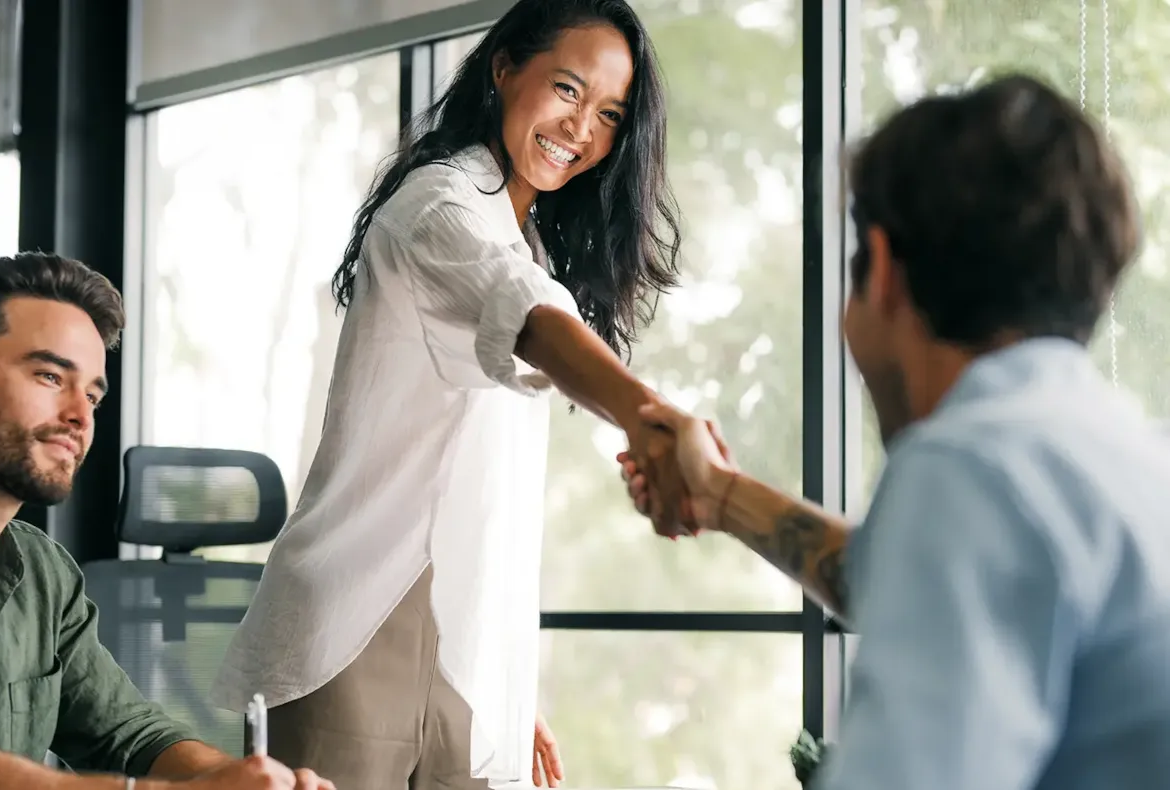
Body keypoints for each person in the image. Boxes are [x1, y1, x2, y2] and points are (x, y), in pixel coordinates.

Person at [623, 74, 1170, 788]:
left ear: (880, 269)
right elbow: (898, 583)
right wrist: (720, 495)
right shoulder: (1118, 451)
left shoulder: (973, 468)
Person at [210, 0, 691, 787]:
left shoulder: (522, 235)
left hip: (460, 647)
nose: (582, 129)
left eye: (609, 114)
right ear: (505, 68)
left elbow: (479, 492)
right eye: (568, 89)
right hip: (357, 634)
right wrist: (652, 420)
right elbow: (527, 315)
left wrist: (501, 678)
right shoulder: (437, 207)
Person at [0, 253, 333, 790]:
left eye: (91, 394)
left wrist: (243, 777)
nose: (81, 417)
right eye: (49, 375)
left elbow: (129, 733)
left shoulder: (43, 573)